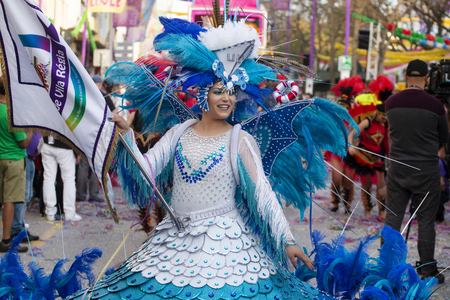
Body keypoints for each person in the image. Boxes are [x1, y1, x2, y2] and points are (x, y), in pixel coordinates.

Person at [385, 59, 449, 283]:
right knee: (426, 221)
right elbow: (444, 138)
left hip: (398, 168)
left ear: (405, 77)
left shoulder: (391, 103)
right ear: (425, 78)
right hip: (426, 170)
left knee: (393, 218)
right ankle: (428, 269)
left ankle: (386, 265)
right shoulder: (436, 106)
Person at [346, 75, 392, 220]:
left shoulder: (385, 124)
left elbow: (386, 142)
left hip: (377, 157)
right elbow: (353, 132)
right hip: (363, 156)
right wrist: (350, 146)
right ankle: (367, 209)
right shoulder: (368, 121)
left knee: (381, 185)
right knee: (365, 185)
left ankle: (381, 210)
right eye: (383, 116)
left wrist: (389, 155)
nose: (385, 118)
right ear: (378, 112)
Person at [0, 78, 32, 252]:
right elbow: (23, 143)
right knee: (9, 201)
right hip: (13, 160)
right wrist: (31, 130)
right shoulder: (11, 113)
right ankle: (6, 240)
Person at [328, 75, 365, 213]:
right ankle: (335, 201)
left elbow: (361, 134)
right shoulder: (334, 119)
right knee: (336, 179)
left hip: (351, 153)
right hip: (337, 152)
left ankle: (347, 204)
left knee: (349, 181)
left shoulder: (356, 118)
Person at [41, 135, 81, 221]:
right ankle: (69, 212)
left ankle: (50, 212)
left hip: (47, 142)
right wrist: (77, 151)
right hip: (65, 145)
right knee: (69, 179)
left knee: (48, 178)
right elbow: (75, 126)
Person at [10, 133, 40, 242]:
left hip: (30, 159)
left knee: (26, 196)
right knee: (22, 195)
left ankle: (20, 227)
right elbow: (22, 142)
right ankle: (17, 230)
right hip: (24, 157)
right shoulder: (24, 120)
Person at [436, 145, 449, 222]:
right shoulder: (438, 162)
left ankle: (438, 212)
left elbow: (442, 185)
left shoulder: (438, 162)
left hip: (440, 192)